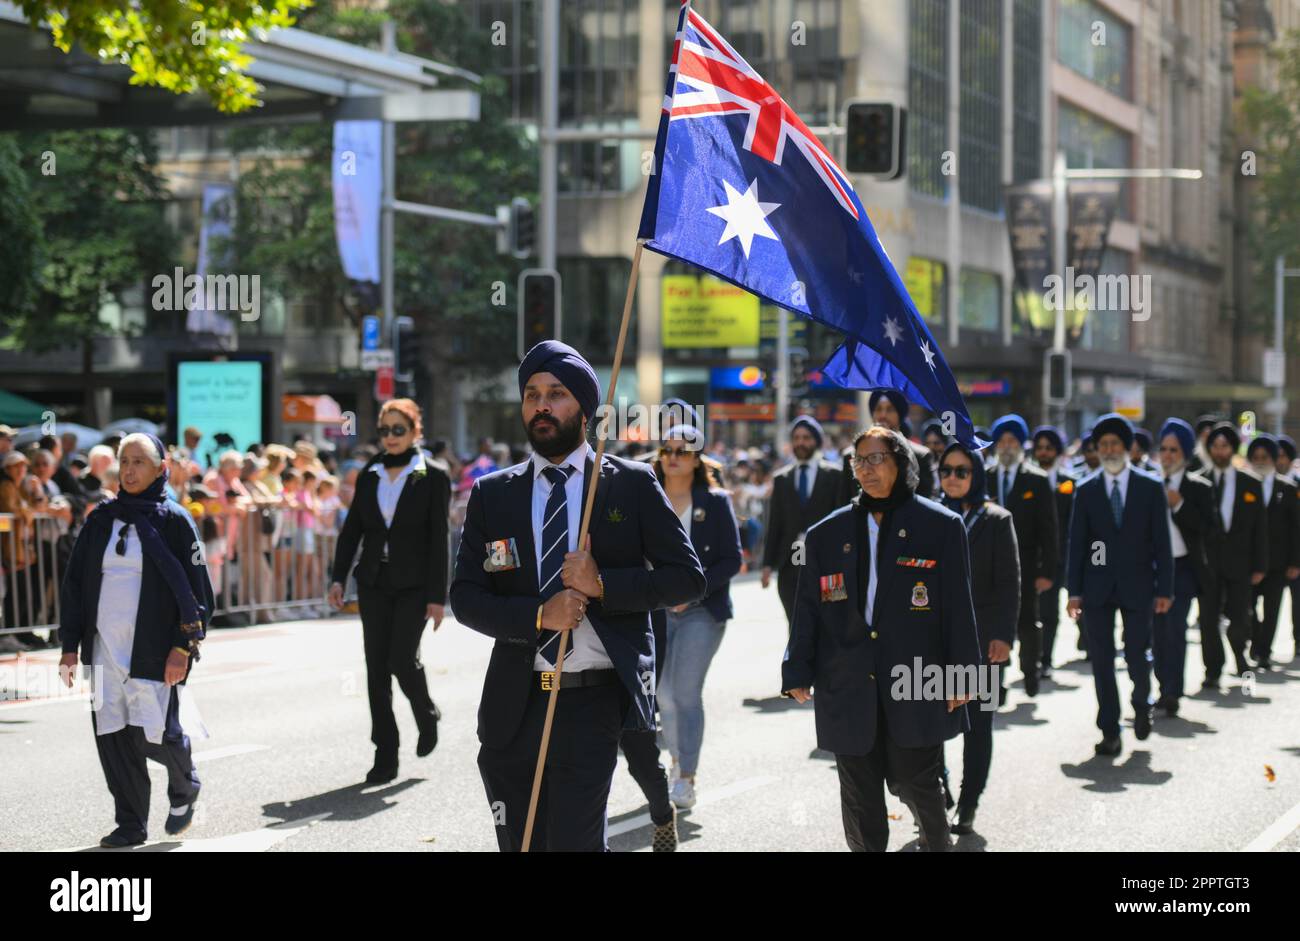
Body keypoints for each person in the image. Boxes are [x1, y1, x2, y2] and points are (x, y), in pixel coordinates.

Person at [450, 341, 705, 852]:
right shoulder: (493, 494)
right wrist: (539, 614)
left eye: (556, 394)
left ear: (585, 409)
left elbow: (686, 578)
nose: (541, 405)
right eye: (531, 395)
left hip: (594, 700)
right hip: (514, 702)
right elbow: (466, 597)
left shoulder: (629, 484)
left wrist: (604, 586)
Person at [782, 426, 980, 852]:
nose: (866, 469)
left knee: (916, 781)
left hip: (917, 680)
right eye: (859, 460)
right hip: (847, 683)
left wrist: (964, 676)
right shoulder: (826, 535)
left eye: (876, 459)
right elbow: (807, 610)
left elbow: (958, 607)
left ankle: (936, 842)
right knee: (859, 800)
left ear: (902, 465)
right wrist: (796, 668)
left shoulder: (941, 526)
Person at [58, 433, 214, 847]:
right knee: (113, 736)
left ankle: (184, 784)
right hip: (105, 649)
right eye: (124, 461)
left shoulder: (176, 520)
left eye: (139, 462)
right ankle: (131, 823)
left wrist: (183, 648)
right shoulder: (100, 519)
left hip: (155, 650)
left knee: (157, 733)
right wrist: (69, 646)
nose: (128, 470)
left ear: (161, 468)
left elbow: (199, 595)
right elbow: (74, 585)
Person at [328, 398, 451, 784]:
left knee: (401, 659)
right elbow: (352, 532)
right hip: (374, 583)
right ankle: (386, 752)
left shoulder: (433, 475)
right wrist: (338, 577)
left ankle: (425, 712)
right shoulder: (369, 473)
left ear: (416, 431)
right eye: (385, 430)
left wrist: (437, 597)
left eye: (399, 429)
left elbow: (439, 538)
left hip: (414, 585)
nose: (391, 437)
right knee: (376, 669)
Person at [1065, 414, 1173, 756]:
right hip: (1097, 588)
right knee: (1101, 660)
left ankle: (1142, 702)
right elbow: (1078, 544)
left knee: (1138, 653)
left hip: (1139, 585)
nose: (1109, 450)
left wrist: (1164, 589)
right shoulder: (1086, 490)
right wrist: (1074, 590)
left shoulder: (1149, 486)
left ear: (1128, 448)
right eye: (1103, 445)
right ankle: (1109, 729)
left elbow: (1162, 543)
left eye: (1115, 444)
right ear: (1096, 450)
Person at [652, 423, 742, 811]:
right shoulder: (648, 497)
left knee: (685, 693)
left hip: (702, 612)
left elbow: (732, 559)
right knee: (663, 694)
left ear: (696, 459)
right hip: (655, 610)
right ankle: (675, 763)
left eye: (682, 452)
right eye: (667, 450)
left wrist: (694, 591)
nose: (673, 457)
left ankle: (687, 776)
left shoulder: (716, 501)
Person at [937, 441, 1018, 836]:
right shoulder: (926, 515)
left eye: (962, 471)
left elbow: (1009, 584)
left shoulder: (996, 520)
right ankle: (937, 790)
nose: (952, 478)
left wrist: (1003, 636)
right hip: (932, 642)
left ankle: (969, 803)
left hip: (983, 642)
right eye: (946, 470)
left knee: (977, 725)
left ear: (976, 476)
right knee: (927, 720)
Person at [986, 414, 1056, 698]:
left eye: (1012, 441)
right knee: (993, 623)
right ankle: (996, 683)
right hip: (989, 565)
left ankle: (1030, 671)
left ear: (1021, 444)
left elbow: (1049, 531)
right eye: (1001, 441)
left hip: (1025, 564)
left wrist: (1047, 571)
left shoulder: (1036, 480)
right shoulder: (986, 477)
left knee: (1027, 621)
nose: (1006, 446)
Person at [1153, 419, 1214, 717]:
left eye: (1174, 450)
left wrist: (1178, 505)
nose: (1167, 455)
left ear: (1185, 453)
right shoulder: (1148, 483)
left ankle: (1172, 691)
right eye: (1163, 449)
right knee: (1155, 633)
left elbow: (1207, 528)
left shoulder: (1198, 487)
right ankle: (1161, 684)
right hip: (1152, 570)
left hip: (1184, 569)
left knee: (1175, 631)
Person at [1200, 422, 1267, 685]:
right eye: (1215, 446)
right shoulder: (1199, 479)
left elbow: (1259, 528)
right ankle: (1213, 669)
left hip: (1240, 563)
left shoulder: (1250, 483)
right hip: (1208, 565)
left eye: (1224, 446)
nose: (1219, 451)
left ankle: (1240, 656)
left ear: (1232, 449)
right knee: (1207, 619)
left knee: (1240, 616)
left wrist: (1260, 564)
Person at [761, 416, 842, 633]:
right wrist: (767, 564)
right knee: (796, 624)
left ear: (816, 441)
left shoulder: (836, 475)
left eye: (806, 437)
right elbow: (775, 524)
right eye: (796, 438)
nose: (801, 442)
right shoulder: (781, 479)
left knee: (829, 623)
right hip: (790, 564)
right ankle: (798, 665)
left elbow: (842, 522)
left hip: (828, 564)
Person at [1245, 434, 1299, 671]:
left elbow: (1296, 528)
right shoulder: (1242, 485)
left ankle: (1264, 651)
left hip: (1278, 563)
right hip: (1248, 562)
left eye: (1264, 457)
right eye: (1255, 457)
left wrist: (1295, 561)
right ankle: (1255, 642)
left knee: (1272, 609)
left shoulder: (1287, 489)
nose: (1260, 461)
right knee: (1245, 608)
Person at [1032, 425, 1078, 673]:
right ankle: (1031, 656)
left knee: (1050, 610)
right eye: (1039, 447)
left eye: (1049, 448)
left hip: (1060, 557)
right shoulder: (1026, 479)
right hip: (1031, 557)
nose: (1044, 452)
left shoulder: (1069, 483)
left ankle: (1046, 659)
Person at [839, 389, 936, 503]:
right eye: (878, 409)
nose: (883, 415)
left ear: (900, 415)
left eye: (890, 409)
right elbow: (844, 503)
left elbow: (926, 504)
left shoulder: (921, 456)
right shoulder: (850, 455)